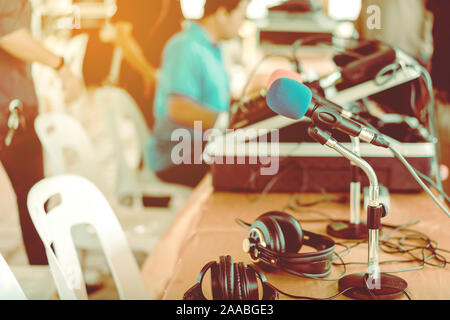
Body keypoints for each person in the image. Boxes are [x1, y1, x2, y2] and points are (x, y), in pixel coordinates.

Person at [0, 0, 83, 265]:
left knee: (33, 199)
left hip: (12, 106)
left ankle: (55, 279)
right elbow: (7, 31)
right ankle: (56, 281)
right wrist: (60, 65)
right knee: (34, 198)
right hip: (9, 109)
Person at [147, 0, 250, 187]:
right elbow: (178, 109)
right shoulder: (185, 46)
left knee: (255, 158)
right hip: (177, 154)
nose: (242, 22)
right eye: (241, 15)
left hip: (201, 144)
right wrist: (228, 122)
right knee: (252, 167)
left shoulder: (213, 48)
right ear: (221, 14)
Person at [81, 0, 184, 129]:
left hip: (167, 78)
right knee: (140, 127)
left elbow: (177, 30)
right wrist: (149, 73)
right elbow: (123, 36)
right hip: (138, 77)